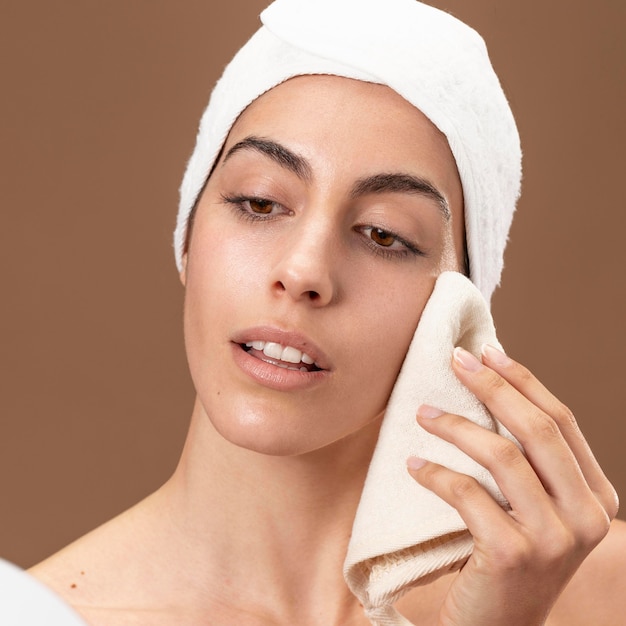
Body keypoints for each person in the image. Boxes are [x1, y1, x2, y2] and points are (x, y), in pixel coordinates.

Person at [27, 0, 626, 624]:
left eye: (384, 234)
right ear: (186, 238)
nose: (305, 271)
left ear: (459, 309)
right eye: (259, 203)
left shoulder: (596, 593)